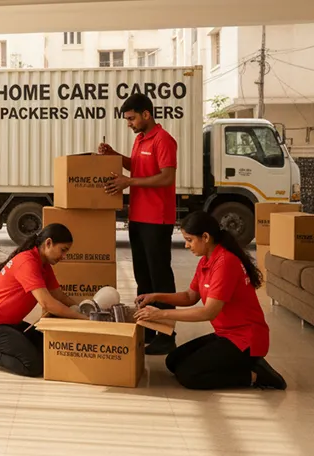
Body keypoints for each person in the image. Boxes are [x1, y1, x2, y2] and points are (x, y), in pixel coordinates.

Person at [134, 211, 286, 391]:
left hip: (246, 339)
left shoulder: (225, 263)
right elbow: (190, 297)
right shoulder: (206, 261)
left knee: (189, 375)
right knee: (173, 361)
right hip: (226, 334)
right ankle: (243, 364)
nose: (186, 245)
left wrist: (161, 313)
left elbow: (209, 312)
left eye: (189, 240)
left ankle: (255, 375)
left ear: (205, 237)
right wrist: (155, 296)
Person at [99, 93, 178, 356]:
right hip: (138, 217)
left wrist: (129, 182)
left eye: (132, 118)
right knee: (143, 278)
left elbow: (166, 177)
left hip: (157, 218)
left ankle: (167, 335)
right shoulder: (140, 140)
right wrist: (116, 156)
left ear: (146, 114)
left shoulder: (164, 140)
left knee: (160, 277)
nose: (129, 123)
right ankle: (150, 328)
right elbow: (139, 167)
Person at [0, 224, 87, 377]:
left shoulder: (44, 265)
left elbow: (59, 296)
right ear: (48, 243)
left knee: (48, 349)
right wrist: (84, 319)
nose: (64, 256)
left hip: (11, 323)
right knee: (32, 366)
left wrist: (83, 308)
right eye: (63, 250)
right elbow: (47, 303)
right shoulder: (27, 262)